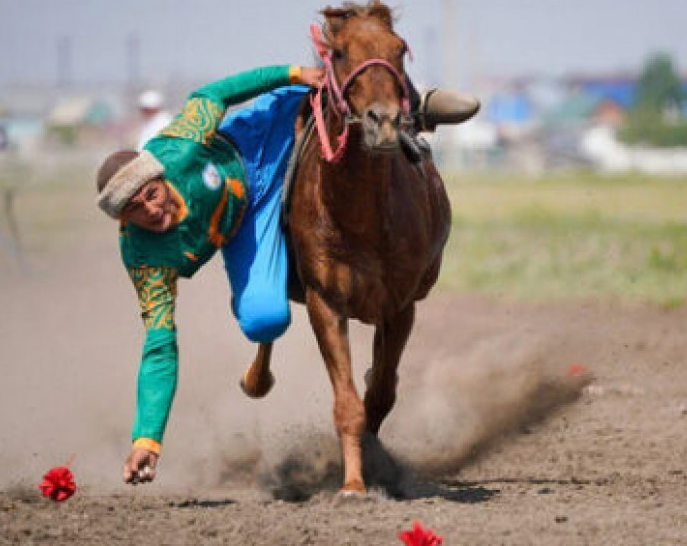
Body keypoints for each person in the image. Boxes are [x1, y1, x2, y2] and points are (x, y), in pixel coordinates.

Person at [96, 64, 478, 485]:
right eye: (135, 209)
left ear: (160, 177)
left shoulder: (180, 146)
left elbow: (215, 91)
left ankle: (413, 106)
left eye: (150, 195)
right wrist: (147, 440)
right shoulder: (144, 258)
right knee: (264, 320)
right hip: (247, 219)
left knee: (321, 99)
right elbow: (159, 346)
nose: (151, 210)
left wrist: (292, 72)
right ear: (124, 220)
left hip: (258, 142)